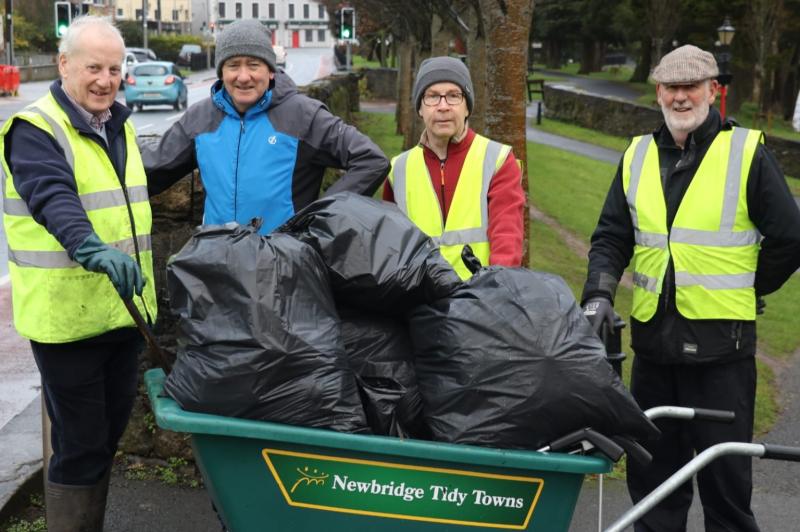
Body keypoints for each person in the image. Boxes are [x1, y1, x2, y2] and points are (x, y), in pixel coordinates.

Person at [581, 44, 800, 531]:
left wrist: (752, 283)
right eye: (671, 88)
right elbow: (612, 236)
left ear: (713, 91)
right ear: (658, 91)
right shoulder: (637, 155)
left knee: (726, 494)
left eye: (691, 87)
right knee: (654, 488)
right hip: (654, 353)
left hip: (722, 355)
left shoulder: (746, 153)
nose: (681, 98)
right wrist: (598, 293)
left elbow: (790, 236)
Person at [0, 16, 157, 531]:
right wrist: (91, 248)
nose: (105, 80)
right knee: (80, 444)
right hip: (66, 321)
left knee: (105, 438)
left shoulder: (117, 124)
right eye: (94, 67)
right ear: (64, 65)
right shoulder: (35, 129)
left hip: (122, 314)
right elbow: (52, 197)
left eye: (114, 69)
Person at [142, 19, 389, 234]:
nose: (243, 76)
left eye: (253, 64)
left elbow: (371, 160)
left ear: (271, 70)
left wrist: (320, 218)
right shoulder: (200, 118)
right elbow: (150, 172)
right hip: (216, 270)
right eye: (233, 65)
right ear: (221, 72)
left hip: (284, 270)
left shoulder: (303, 115)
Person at [383, 56, 525, 280]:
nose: (443, 106)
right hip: (417, 303)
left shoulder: (497, 160)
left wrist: (496, 294)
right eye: (432, 97)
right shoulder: (397, 169)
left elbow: (507, 240)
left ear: (467, 106)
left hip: (480, 301)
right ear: (420, 108)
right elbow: (389, 247)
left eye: (453, 96)